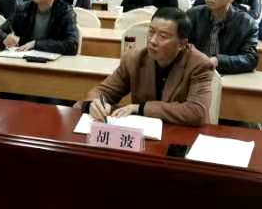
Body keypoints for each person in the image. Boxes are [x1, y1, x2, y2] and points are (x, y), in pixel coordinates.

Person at [83, 7, 214, 126]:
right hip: (145, 132)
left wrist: (140, 108)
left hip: (182, 133)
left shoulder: (199, 64)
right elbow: (103, 91)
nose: (152, 40)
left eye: (163, 36)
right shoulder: (134, 59)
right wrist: (95, 103)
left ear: (182, 44)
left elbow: (196, 111)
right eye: (151, 32)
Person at [0, 0, 79, 55]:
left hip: (53, 61)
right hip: (23, 58)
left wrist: (36, 44)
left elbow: (72, 45)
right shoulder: (23, 9)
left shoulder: (65, 12)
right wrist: (5, 38)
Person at [186, 0, 258, 74]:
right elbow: (182, 46)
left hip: (229, 75)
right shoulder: (193, 15)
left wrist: (219, 61)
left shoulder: (247, 23)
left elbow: (250, 59)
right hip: (195, 72)